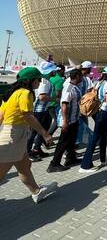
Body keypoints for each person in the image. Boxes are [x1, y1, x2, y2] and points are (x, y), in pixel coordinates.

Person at [0, 67, 57, 203]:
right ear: (30, 81)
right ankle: (36, 191)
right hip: (14, 136)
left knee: (24, 166)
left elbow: (1, 115)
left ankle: (36, 192)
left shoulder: (12, 93)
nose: (40, 82)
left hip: (13, 134)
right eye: (38, 79)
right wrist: (45, 134)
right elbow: (28, 116)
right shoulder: (26, 93)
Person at [79, 66, 107, 173]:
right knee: (96, 137)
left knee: (103, 136)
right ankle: (85, 165)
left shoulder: (98, 83)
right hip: (104, 112)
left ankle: (104, 158)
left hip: (97, 112)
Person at [47, 69, 83, 172]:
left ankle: (71, 158)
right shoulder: (69, 88)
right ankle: (54, 164)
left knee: (71, 141)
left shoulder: (75, 87)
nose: (82, 78)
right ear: (77, 76)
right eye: (80, 76)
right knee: (63, 142)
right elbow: (64, 105)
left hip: (74, 119)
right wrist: (65, 121)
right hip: (68, 120)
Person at [27, 61, 58, 161]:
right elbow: (42, 97)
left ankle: (37, 149)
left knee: (41, 131)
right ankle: (28, 152)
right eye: (54, 70)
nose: (55, 72)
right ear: (50, 71)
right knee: (34, 132)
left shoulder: (45, 80)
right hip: (39, 111)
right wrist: (55, 99)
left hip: (43, 110)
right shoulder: (44, 81)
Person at [47, 64, 65, 136]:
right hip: (54, 104)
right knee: (57, 121)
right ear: (61, 70)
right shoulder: (60, 80)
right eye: (64, 71)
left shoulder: (51, 78)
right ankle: (47, 138)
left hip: (48, 103)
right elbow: (58, 94)